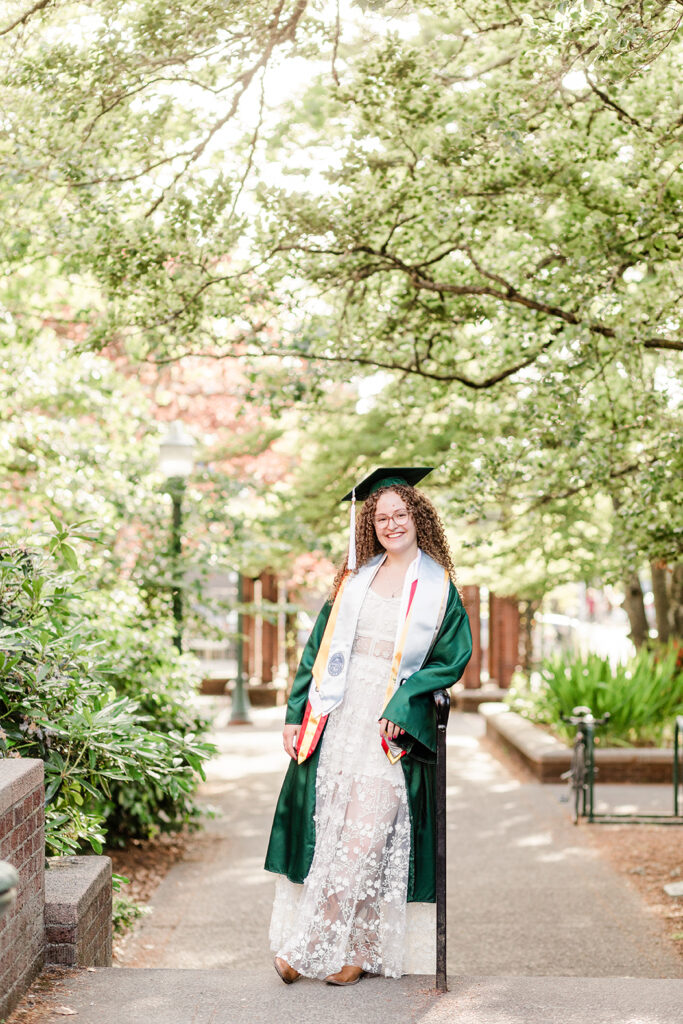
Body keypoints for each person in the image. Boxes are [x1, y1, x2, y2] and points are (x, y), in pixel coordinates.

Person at [264, 468, 472, 985]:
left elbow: (452, 658)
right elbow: (316, 652)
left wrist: (404, 705)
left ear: (418, 518)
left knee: (368, 837)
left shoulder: (439, 587)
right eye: (381, 517)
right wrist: (295, 714)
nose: (392, 524)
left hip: (387, 720)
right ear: (370, 525)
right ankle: (357, 951)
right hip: (341, 714)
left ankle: (309, 945)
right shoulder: (354, 580)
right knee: (336, 832)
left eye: (401, 514)